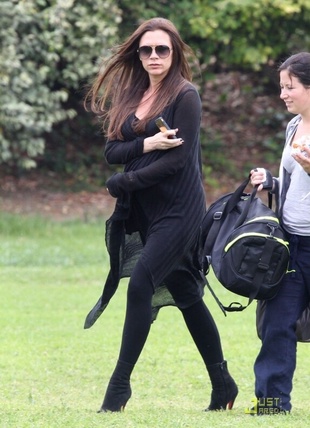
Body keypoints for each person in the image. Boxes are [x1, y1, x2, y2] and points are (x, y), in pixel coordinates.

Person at [83, 17, 238, 413]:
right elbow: (112, 152)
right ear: (138, 54)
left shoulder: (185, 96)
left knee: (140, 284)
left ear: (175, 53)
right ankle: (223, 384)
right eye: (147, 50)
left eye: (162, 49)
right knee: (187, 295)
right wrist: (148, 142)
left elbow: (178, 162)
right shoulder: (132, 94)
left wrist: (123, 183)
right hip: (146, 213)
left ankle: (118, 389)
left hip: (180, 210)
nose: (154, 56)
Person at [250, 51, 310, 414]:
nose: (283, 94)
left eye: (290, 87)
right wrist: (269, 181)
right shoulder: (293, 127)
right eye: (281, 87)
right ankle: (272, 404)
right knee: (276, 325)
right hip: (290, 243)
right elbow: (293, 184)